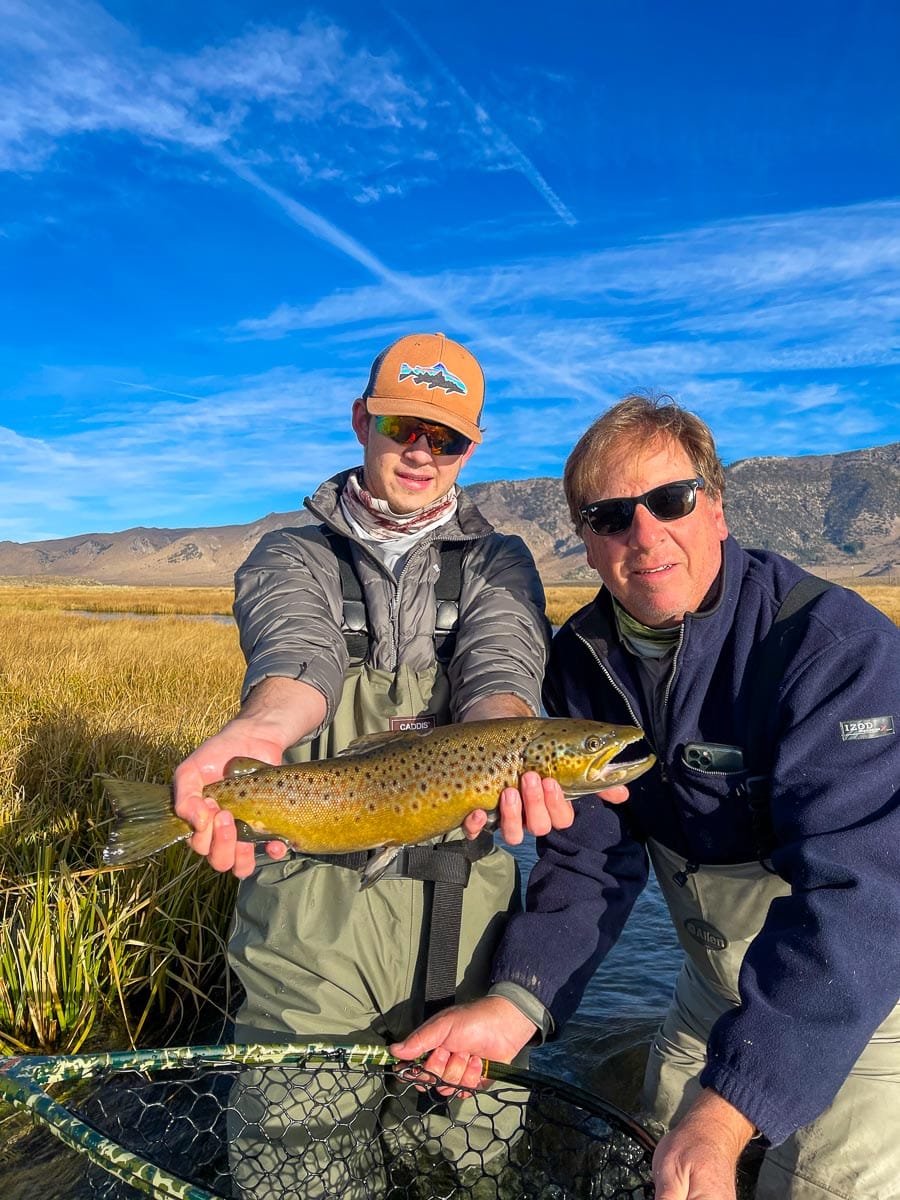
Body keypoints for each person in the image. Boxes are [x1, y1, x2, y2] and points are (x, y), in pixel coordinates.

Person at [391, 394, 900, 1200]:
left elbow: (863, 899)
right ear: (586, 544)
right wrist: (518, 1005)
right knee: (659, 1157)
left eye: (670, 500)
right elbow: (589, 860)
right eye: (609, 516)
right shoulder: (581, 662)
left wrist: (731, 1106)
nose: (644, 533)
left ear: (717, 509)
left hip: (869, 994)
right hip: (706, 986)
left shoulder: (834, 653)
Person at [172, 332, 577, 1197]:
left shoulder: (500, 562)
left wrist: (507, 742)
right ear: (363, 420)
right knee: (300, 1167)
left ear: (472, 448)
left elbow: (503, 678)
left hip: (470, 943)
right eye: (403, 425)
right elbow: (297, 662)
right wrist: (262, 728)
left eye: (449, 438)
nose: (422, 453)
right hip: (306, 931)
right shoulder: (289, 556)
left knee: (469, 1171)